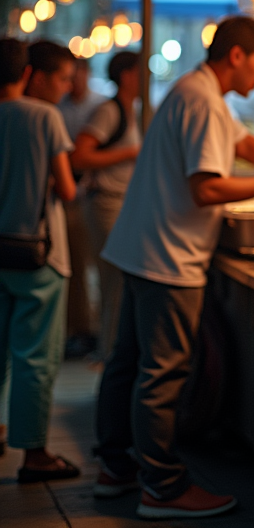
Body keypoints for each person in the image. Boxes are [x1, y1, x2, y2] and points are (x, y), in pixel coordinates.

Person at [94, 17, 254, 518]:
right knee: (161, 373)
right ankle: (162, 487)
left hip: (141, 248)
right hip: (168, 257)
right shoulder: (202, 100)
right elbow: (207, 188)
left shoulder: (197, 92)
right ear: (237, 56)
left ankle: (115, 467)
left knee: (126, 364)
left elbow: (243, 143)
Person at [0, 38, 80, 482]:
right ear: (27, 74)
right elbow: (67, 189)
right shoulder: (43, 116)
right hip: (38, 257)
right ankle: (34, 456)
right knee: (35, 358)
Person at [69, 51, 141, 360]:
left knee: (118, 284)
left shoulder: (129, 109)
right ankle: (108, 357)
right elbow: (80, 156)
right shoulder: (109, 111)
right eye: (141, 72)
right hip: (104, 205)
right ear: (126, 75)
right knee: (114, 284)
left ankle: (111, 354)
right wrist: (130, 154)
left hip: (119, 206)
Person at [57, 58, 105, 358]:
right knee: (73, 267)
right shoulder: (55, 108)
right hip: (68, 195)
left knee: (94, 267)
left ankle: (93, 329)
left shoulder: (100, 105)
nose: (72, 81)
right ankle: (79, 329)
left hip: (90, 194)